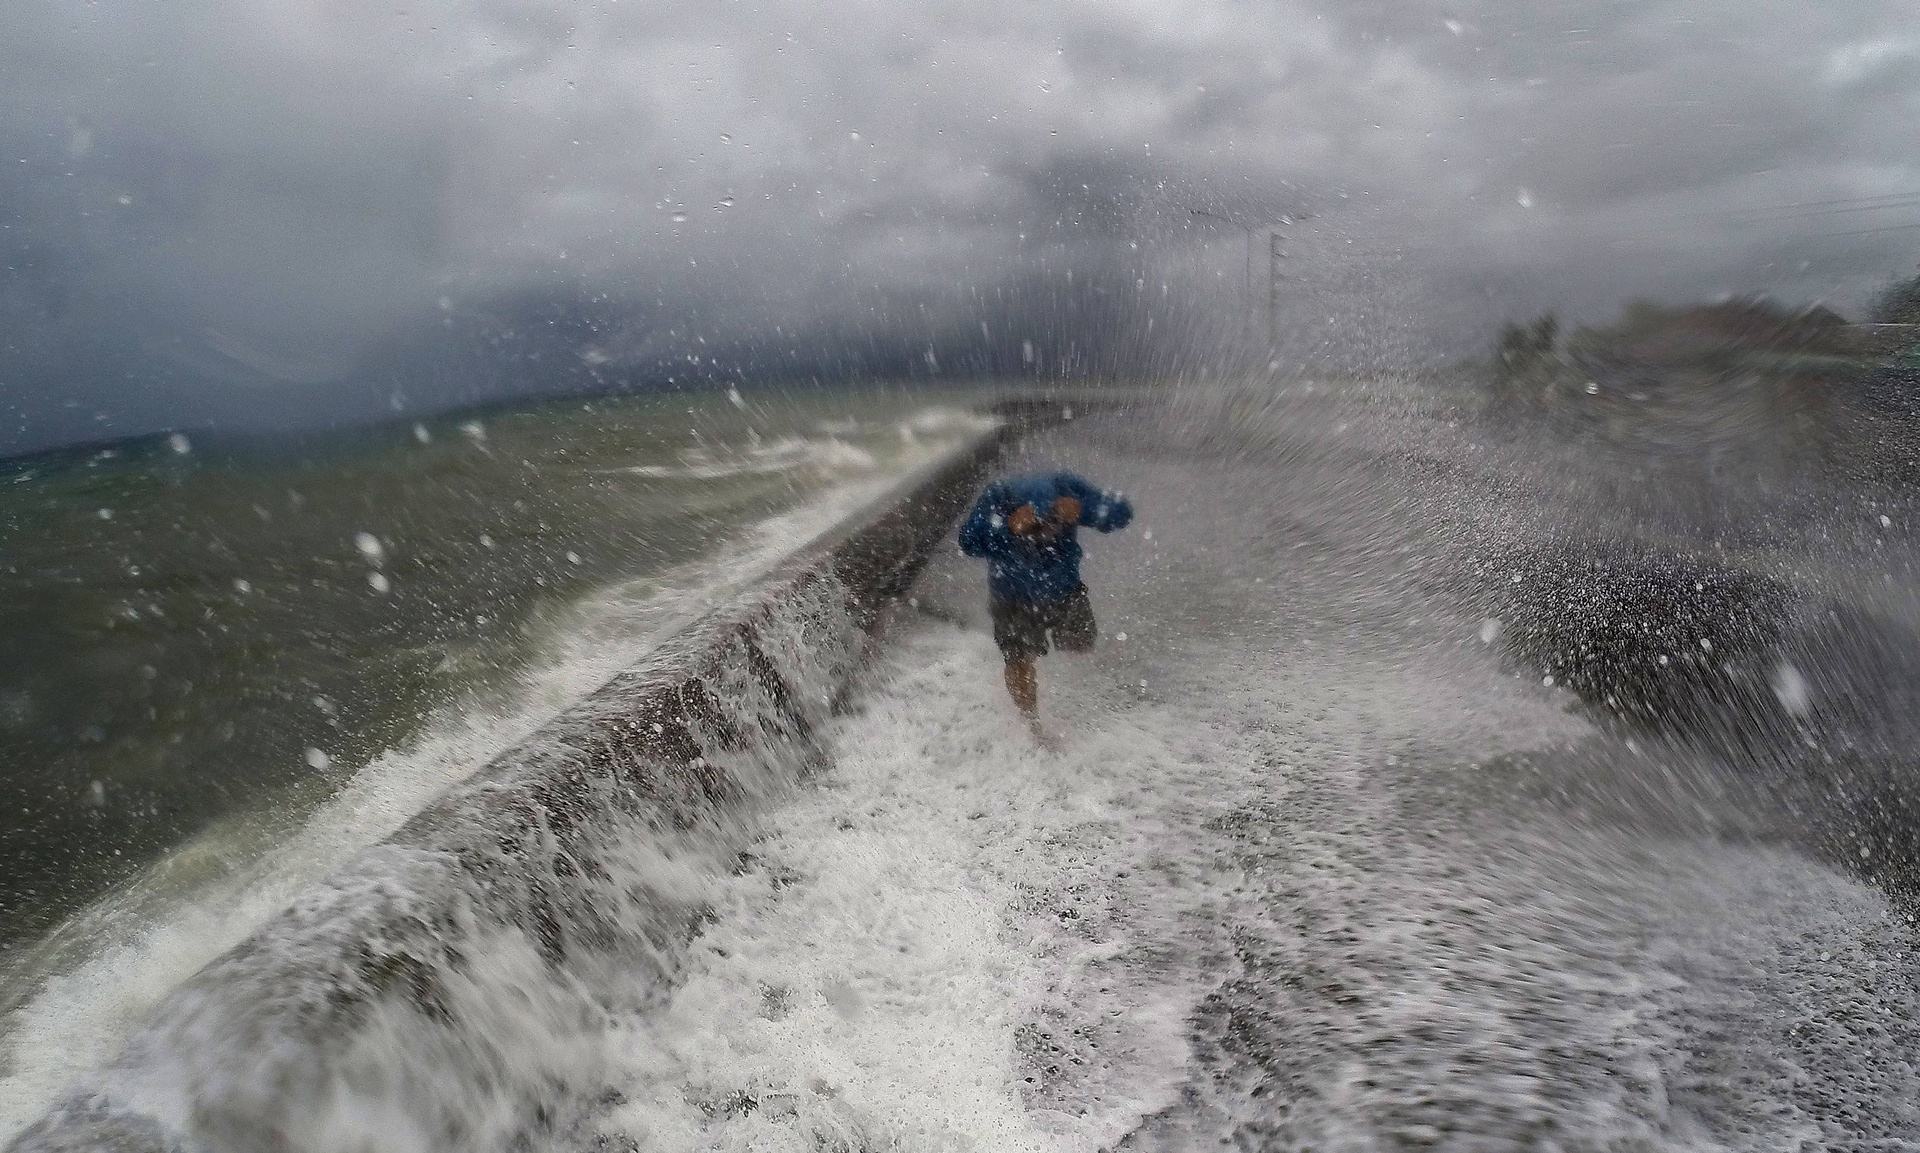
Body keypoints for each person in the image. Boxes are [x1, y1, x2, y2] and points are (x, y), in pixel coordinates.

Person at [958, 470, 1134, 735]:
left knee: (1081, 643)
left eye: (1052, 522)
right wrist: (1006, 527)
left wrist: (1084, 508)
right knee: (1018, 661)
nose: (1044, 533)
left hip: (1063, 590)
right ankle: (1031, 725)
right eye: (1035, 527)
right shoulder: (999, 495)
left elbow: (1121, 512)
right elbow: (968, 542)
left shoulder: (1068, 488)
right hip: (1012, 597)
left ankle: (1080, 691)